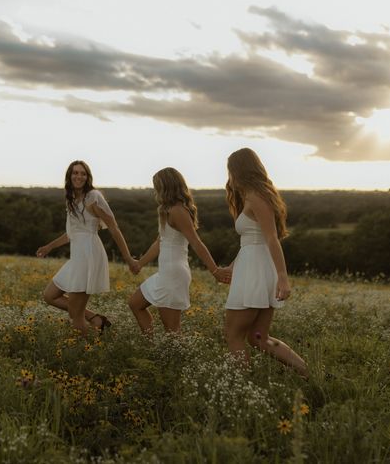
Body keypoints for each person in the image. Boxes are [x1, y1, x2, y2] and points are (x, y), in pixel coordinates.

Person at [223, 148, 307, 377]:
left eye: (230, 171)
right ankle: (308, 373)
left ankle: (241, 388)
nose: (229, 177)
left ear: (238, 171)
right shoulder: (253, 196)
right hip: (252, 266)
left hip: (257, 270)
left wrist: (283, 278)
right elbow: (253, 241)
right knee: (258, 337)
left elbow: (271, 238)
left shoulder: (256, 197)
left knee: (233, 334)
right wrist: (234, 265)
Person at [36, 160, 136, 336]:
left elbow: (114, 227)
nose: (79, 176)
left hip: (89, 254)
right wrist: (49, 246)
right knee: (50, 296)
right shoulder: (72, 199)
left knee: (75, 316)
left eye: (83, 173)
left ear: (88, 177)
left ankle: (87, 348)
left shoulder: (93, 198)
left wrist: (128, 258)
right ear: (69, 176)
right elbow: (72, 233)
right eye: (75, 173)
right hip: (78, 255)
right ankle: (95, 319)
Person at [128, 167, 230, 333]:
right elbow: (159, 242)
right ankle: (154, 347)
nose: (155, 191)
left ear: (167, 187)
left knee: (172, 331)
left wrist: (215, 270)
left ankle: (169, 355)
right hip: (165, 273)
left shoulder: (178, 211)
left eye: (157, 186)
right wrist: (140, 264)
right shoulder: (165, 210)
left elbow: (196, 242)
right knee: (135, 304)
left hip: (174, 275)